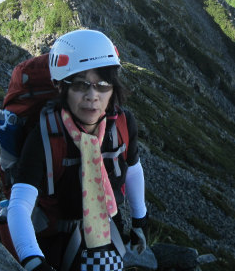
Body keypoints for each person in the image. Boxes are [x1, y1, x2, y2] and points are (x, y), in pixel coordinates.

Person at [8, 29, 148, 271]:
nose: (92, 96)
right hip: (56, 237)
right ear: (61, 88)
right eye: (80, 84)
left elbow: (133, 167)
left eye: (103, 84)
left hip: (108, 224)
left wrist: (140, 219)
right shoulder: (45, 134)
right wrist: (32, 259)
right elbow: (20, 203)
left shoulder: (123, 124)